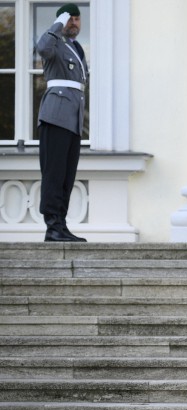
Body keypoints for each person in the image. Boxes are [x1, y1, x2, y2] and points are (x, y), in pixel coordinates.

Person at [36, 3, 88, 242]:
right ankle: (52, 225)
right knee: (54, 173)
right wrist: (58, 23)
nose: (74, 23)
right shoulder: (54, 41)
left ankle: (61, 224)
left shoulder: (75, 47)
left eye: (77, 19)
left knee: (67, 175)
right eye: (70, 19)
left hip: (73, 119)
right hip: (56, 116)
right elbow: (42, 48)